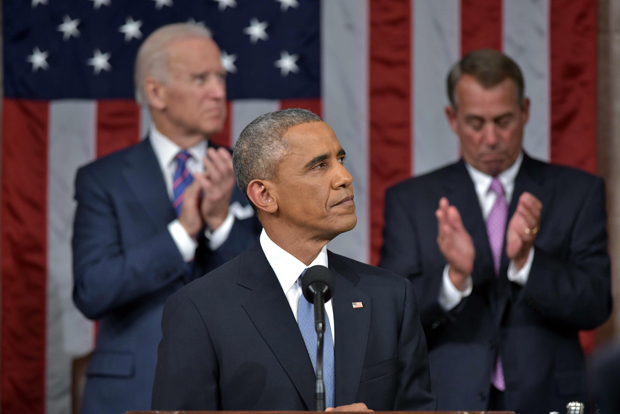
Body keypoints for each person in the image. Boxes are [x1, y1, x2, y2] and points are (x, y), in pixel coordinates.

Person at [151, 108, 436, 411]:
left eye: (339, 160)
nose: (344, 177)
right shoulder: (200, 309)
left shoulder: (390, 297)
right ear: (264, 195)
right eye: (319, 166)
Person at [380, 49, 612, 413]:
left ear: (525, 111)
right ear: (452, 119)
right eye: (476, 123)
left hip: (548, 399)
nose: (491, 139)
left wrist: (527, 262)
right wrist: (454, 278)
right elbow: (393, 317)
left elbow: (596, 306)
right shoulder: (412, 200)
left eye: (503, 120)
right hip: (447, 400)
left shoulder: (577, 192)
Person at [72, 23, 260, 414]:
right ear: (156, 92)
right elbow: (92, 290)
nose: (218, 92)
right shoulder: (102, 180)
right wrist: (184, 232)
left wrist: (222, 221)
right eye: (200, 78)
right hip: (133, 390)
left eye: (221, 78)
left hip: (236, 389)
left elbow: (272, 288)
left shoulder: (250, 175)